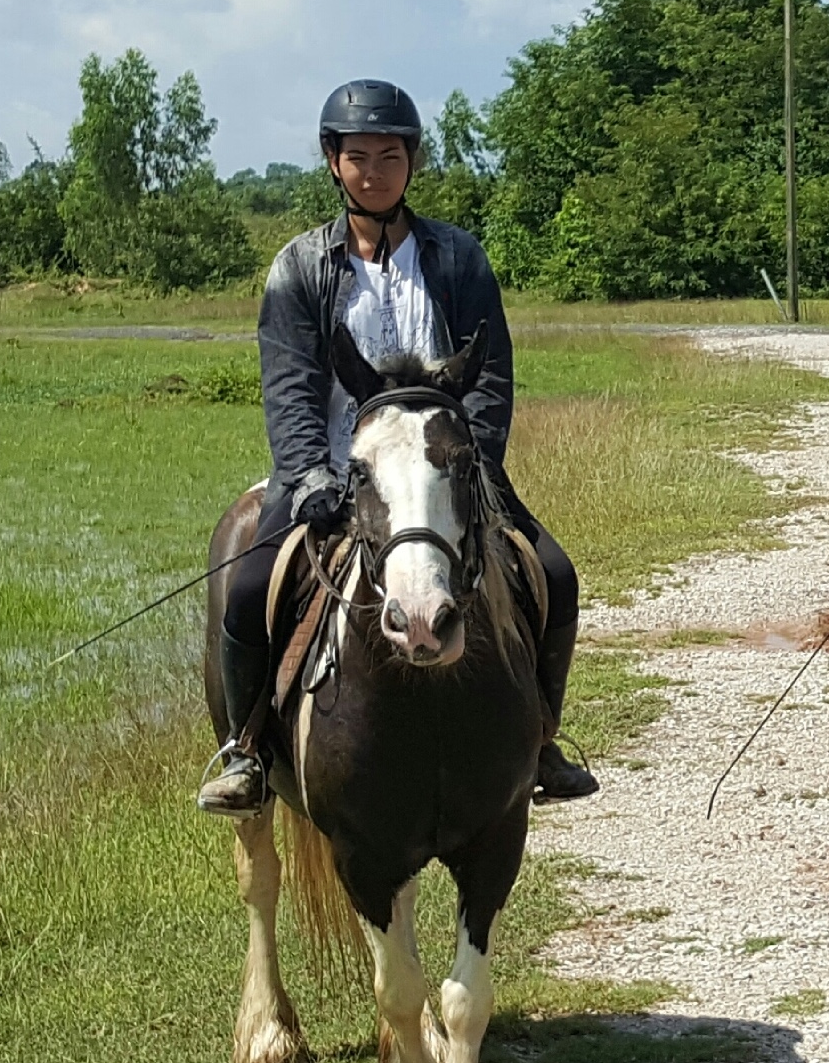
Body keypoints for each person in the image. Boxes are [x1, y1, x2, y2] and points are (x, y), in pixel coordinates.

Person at [198, 80, 595, 815]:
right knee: (249, 588)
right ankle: (247, 750)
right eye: (358, 157)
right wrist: (310, 476)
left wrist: (471, 467)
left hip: (443, 475)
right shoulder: (298, 267)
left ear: (412, 162)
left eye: (389, 156)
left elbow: (489, 377)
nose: (373, 172)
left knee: (555, 574)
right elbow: (289, 385)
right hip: (333, 476)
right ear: (333, 162)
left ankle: (542, 740)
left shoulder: (458, 259)